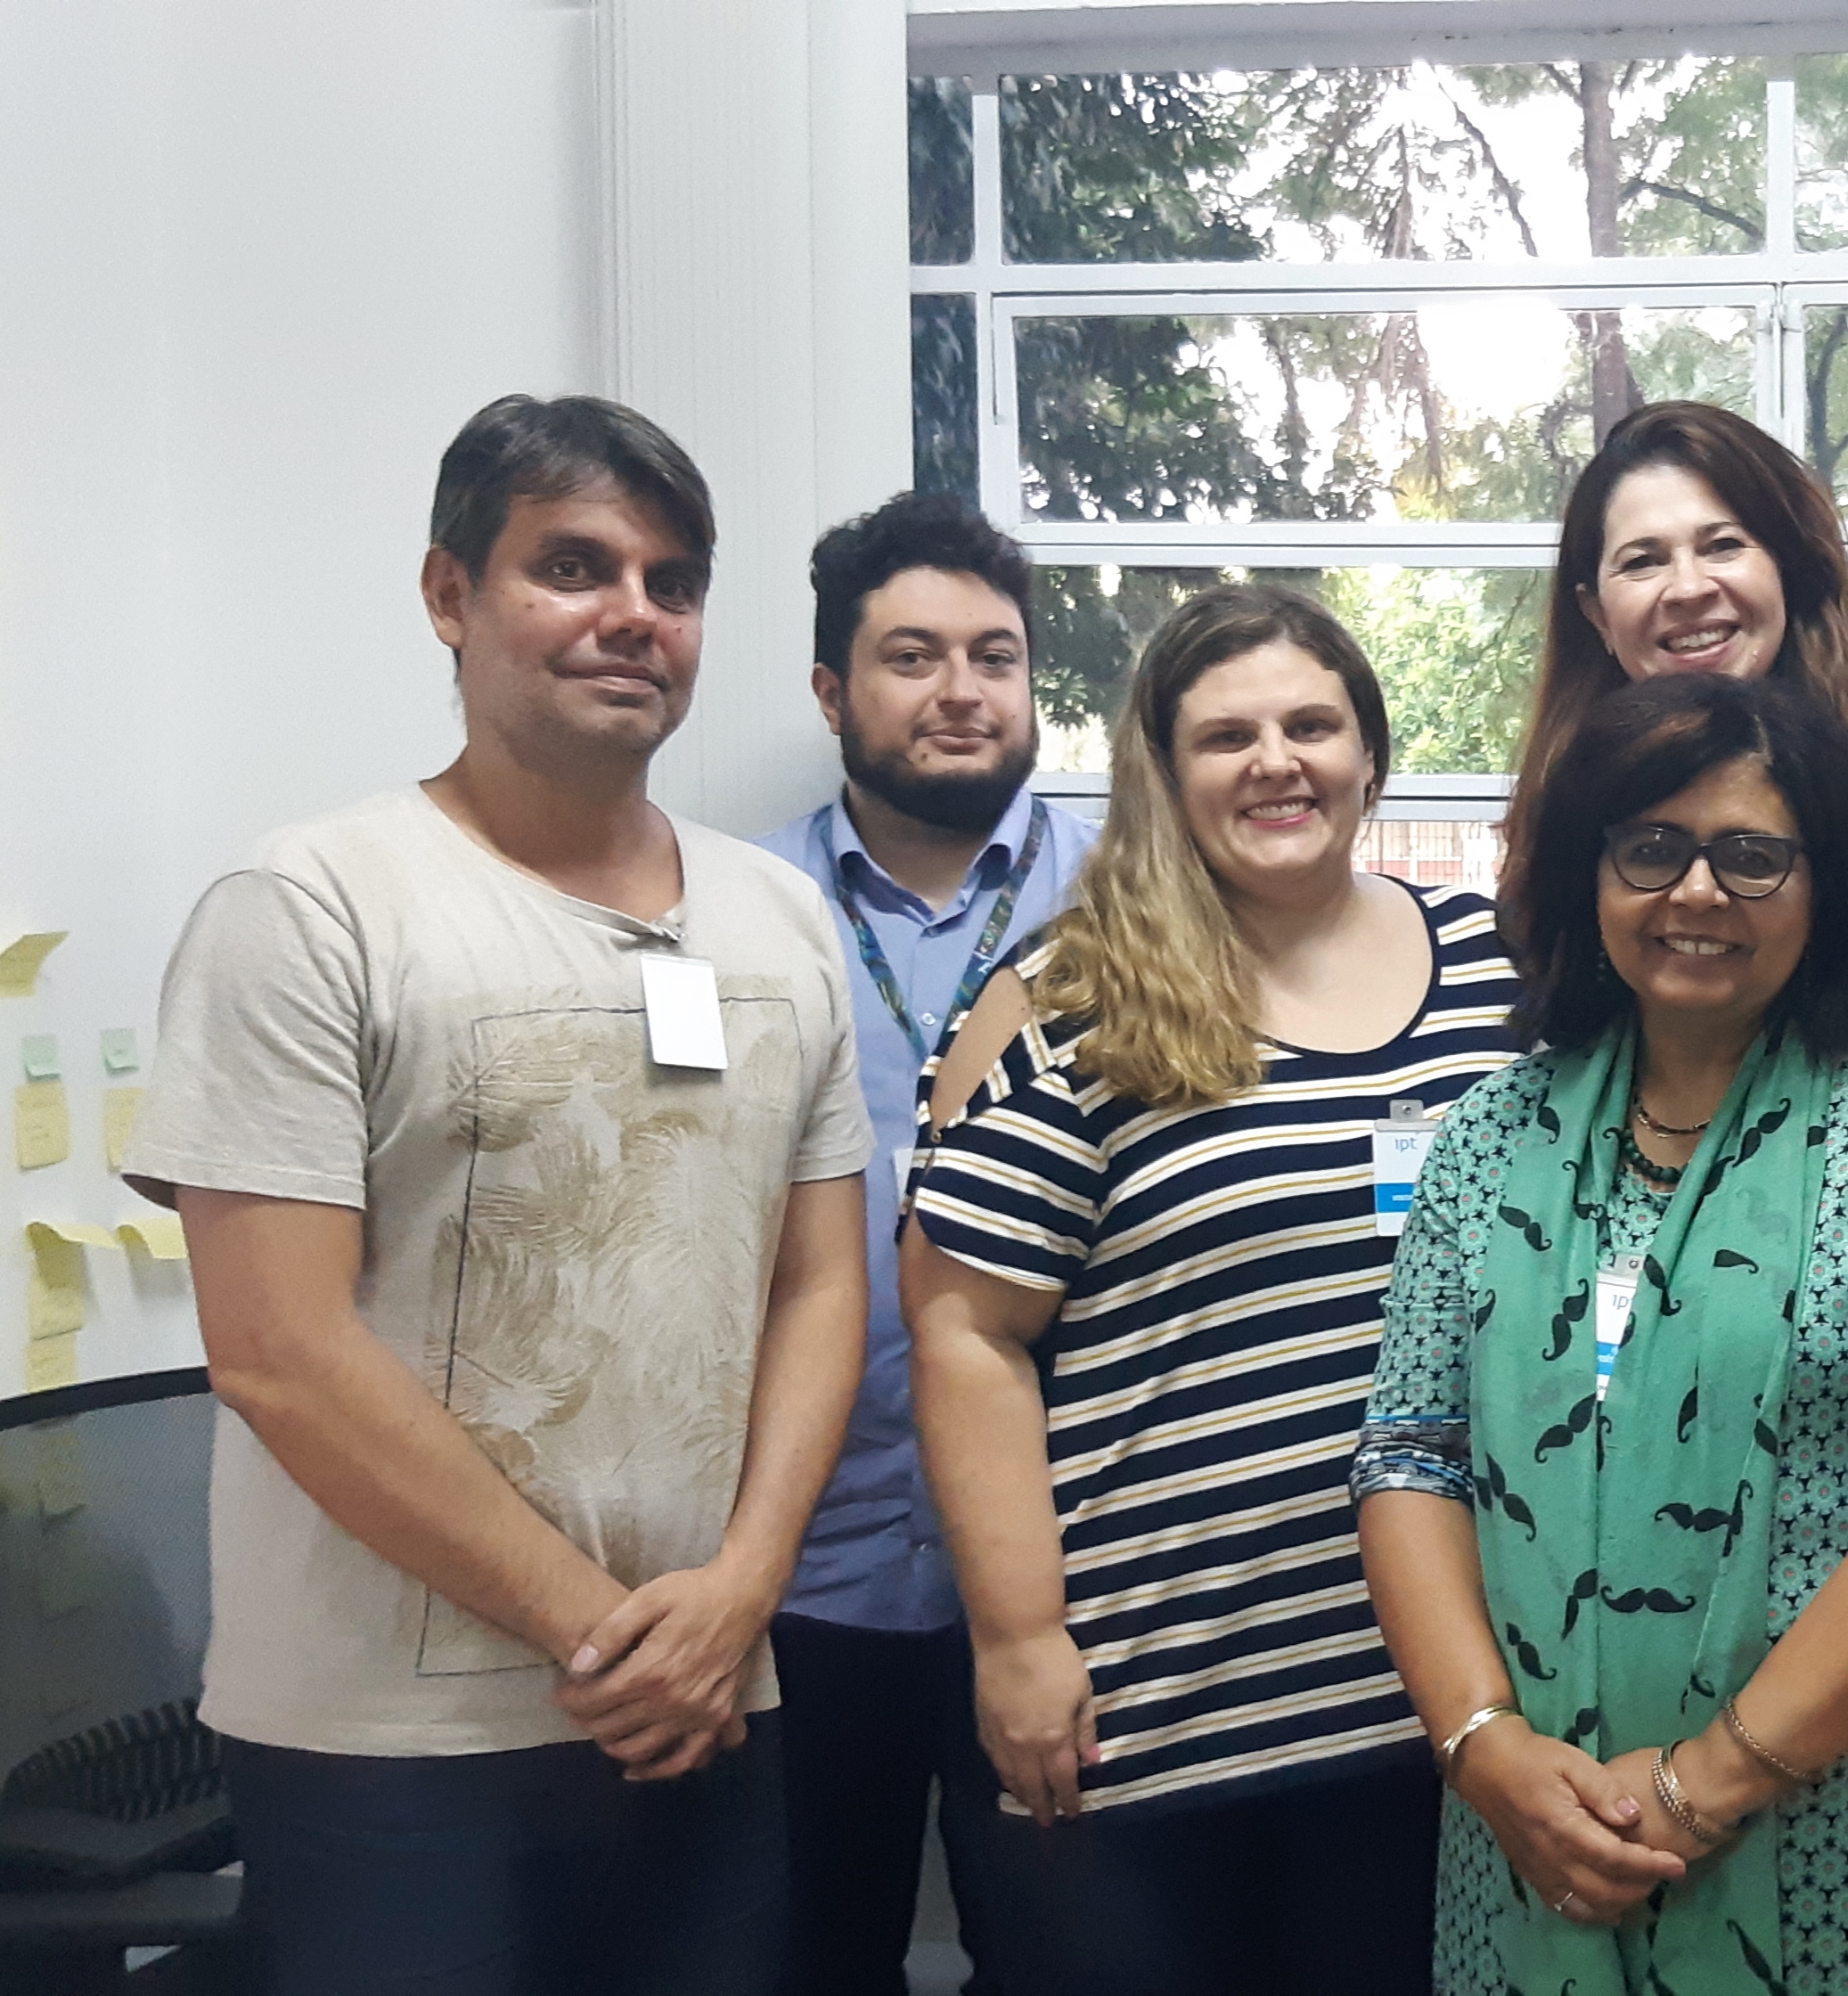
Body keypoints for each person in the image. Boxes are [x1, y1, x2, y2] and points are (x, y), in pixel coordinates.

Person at [122, 394, 875, 1996]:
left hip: (707, 1701)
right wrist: (605, 1638)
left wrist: (738, 1596)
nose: (632, 617)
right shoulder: (310, 907)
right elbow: (275, 1349)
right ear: (449, 596)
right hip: (394, 1747)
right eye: (572, 566)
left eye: (671, 584)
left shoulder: (780, 917)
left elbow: (814, 1283)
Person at [1357, 670, 1848, 1996]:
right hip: (1532, 1845)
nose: (1695, 894)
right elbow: (1409, 1460)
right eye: (1651, 848)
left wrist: (1703, 1785)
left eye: (1751, 857)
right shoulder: (1492, 1135)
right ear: (1591, 872)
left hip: (1846, 1856)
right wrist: (1486, 1749)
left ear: (1826, 884)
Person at [900, 583, 1517, 1995]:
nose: (1276, 762)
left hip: (1431, 1700)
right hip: (1149, 1709)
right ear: (1165, 773)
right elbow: (964, 1330)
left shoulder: (1500, 968)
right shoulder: (1074, 995)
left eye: (1312, 724)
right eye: (1226, 735)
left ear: (1370, 751)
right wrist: (1017, 1640)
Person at [756, 492, 1089, 1994]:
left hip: (1073, 1566)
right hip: (802, 1571)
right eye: (910, 656)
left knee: (1070, 1956)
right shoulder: (731, 916)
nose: (960, 690)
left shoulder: (1141, 902)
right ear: (831, 691)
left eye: (994, 656)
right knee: (808, 1957)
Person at [1504, 401, 1848, 1051]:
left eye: (1723, 546)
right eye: (1642, 560)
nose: (1687, 588)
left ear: (1788, 574)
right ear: (1596, 614)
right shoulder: (1556, 839)